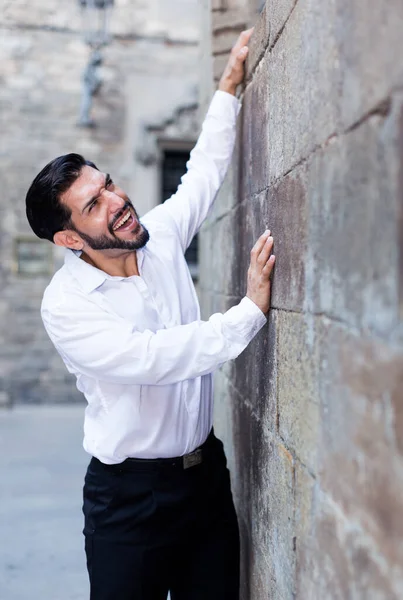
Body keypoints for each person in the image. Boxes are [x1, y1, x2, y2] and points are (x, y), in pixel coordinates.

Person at [25, 29, 275, 600]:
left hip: (205, 481)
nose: (117, 202)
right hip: (128, 502)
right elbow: (152, 359)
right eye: (94, 204)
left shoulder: (156, 238)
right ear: (68, 238)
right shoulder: (66, 306)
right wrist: (248, 314)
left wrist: (230, 83)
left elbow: (202, 176)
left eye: (107, 184)